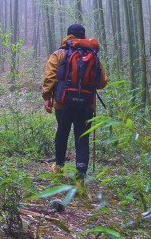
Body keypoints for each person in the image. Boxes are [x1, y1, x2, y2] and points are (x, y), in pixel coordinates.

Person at [42, 24, 108, 180]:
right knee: (82, 138)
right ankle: (80, 179)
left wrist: (47, 97)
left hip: (63, 103)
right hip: (86, 104)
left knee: (62, 132)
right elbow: (102, 82)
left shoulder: (59, 54)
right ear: (84, 37)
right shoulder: (92, 54)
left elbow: (50, 78)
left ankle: (58, 169)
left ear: (68, 35)